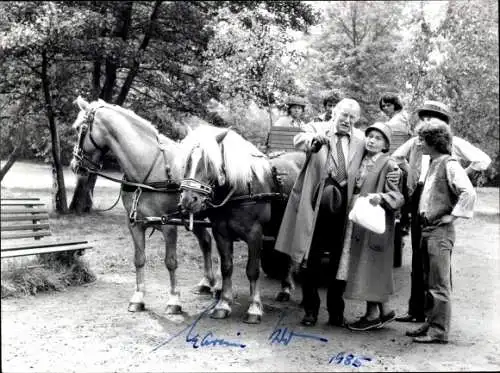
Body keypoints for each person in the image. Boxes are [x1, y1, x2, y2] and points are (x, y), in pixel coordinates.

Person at [392, 100, 491, 324]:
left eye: (434, 117)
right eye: (425, 116)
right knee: (418, 255)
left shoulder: (451, 144)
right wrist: (411, 173)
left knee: (438, 258)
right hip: (419, 194)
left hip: (441, 196)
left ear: (444, 123)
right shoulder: (417, 141)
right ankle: (416, 310)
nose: (428, 120)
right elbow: (396, 157)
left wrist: (460, 176)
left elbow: (483, 160)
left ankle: (436, 317)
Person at [273, 98, 369, 327]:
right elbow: (300, 140)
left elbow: (376, 157)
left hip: (345, 209)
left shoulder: (361, 139)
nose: (347, 121)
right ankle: (311, 309)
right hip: (315, 205)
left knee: (339, 260)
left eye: (352, 117)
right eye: (343, 115)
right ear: (334, 113)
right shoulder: (316, 129)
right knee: (311, 259)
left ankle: (336, 311)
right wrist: (314, 141)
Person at [406, 118, 476, 344]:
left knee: (439, 283)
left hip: (440, 232)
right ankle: (430, 322)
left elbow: (468, 192)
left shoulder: (449, 163)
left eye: (422, 139)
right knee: (428, 280)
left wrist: (452, 216)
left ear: (433, 141)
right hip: (428, 230)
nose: (419, 144)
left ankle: (439, 331)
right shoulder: (435, 162)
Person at [342, 122, 405, 331]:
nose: (372, 141)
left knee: (371, 264)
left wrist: (382, 196)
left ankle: (371, 316)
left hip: (376, 221)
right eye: (370, 136)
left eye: (378, 138)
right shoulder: (363, 160)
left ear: (386, 144)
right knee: (368, 263)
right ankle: (385, 311)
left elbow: (398, 197)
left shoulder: (389, 165)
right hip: (360, 218)